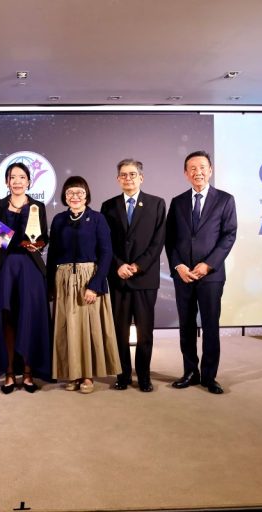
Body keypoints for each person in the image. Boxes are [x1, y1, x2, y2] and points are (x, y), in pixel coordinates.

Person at [165, 150, 237, 394]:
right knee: (186, 326)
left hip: (211, 276)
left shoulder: (225, 200)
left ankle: (209, 376)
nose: (198, 172)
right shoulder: (177, 202)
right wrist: (179, 266)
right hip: (183, 275)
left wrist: (208, 264)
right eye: (192, 168)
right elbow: (170, 239)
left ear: (210, 170)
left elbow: (229, 235)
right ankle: (190, 372)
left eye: (202, 167)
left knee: (210, 325)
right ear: (186, 173)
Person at [0, 162, 51, 393]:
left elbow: (43, 237)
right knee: (7, 317)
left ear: (29, 181)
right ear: (7, 181)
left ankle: (29, 373)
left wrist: (38, 243)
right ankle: (10, 372)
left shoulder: (38, 206)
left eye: (22, 177)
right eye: (13, 177)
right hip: (4, 268)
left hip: (30, 268)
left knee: (30, 317)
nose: (17, 181)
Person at [47, 176, 121, 393]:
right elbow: (52, 255)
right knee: (67, 328)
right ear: (64, 196)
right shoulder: (59, 220)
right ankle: (72, 373)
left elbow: (106, 253)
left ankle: (87, 376)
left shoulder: (97, 219)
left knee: (88, 329)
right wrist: (50, 285)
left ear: (87, 195)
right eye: (70, 192)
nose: (75, 196)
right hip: (63, 279)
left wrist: (95, 285)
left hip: (89, 278)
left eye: (79, 192)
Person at [100, 158, 166, 392]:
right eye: (123, 175)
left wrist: (138, 266)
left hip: (145, 278)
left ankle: (144, 376)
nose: (128, 178)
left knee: (145, 332)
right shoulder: (108, 206)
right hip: (118, 277)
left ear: (141, 178)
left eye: (132, 174)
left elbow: (158, 242)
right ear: (118, 179)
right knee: (120, 332)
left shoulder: (157, 204)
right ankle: (123, 375)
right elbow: (105, 242)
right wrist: (118, 265)